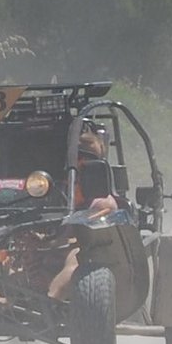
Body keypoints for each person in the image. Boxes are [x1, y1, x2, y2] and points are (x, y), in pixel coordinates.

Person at [48, 125, 123, 301]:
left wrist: (57, 242)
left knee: (75, 261)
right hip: (53, 248)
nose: (82, 166)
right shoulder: (59, 193)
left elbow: (82, 236)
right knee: (4, 261)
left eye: (89, 160)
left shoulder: (104, 201)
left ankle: (51, 301)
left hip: (90, 253)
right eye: (78, 158)